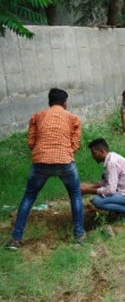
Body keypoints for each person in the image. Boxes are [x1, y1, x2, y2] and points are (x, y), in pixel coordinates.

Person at [5, 89, 86, 250]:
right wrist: (66, 153)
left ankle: (15, 239)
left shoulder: (37, 116)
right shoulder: (73, 118)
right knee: (75, 196)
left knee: (29, 198)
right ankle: (79, 235)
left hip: (40, 163)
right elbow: (75, 143)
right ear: (65, 103)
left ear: (49, 102)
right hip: (65, 162)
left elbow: (30, 142)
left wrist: (43, 153)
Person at [80, 138, 125, 223]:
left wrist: (88, 190)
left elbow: (110, 190)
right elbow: (107, 182)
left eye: (94, 153)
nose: (93, 156)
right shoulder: (112, 157)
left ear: (102, 151)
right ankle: (122, 210)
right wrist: (89, 186)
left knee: (97, 201)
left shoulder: (111, 163)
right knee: (102, 186)